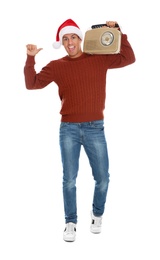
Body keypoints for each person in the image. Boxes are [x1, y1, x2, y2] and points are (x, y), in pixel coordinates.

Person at [24, 18, 136, 242]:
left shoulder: (98, 59)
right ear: (62, 44)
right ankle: (70, 222)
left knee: (103, 178)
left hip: (95, 127)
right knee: (69, 180)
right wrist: (30, 58)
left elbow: (129, 58)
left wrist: (118, 32)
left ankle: (97, 214)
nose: (69, 42)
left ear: (80, 39)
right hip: (69, 130)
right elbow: (32, 83)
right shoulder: (57, 66)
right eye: (65, 39)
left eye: (73, 37)